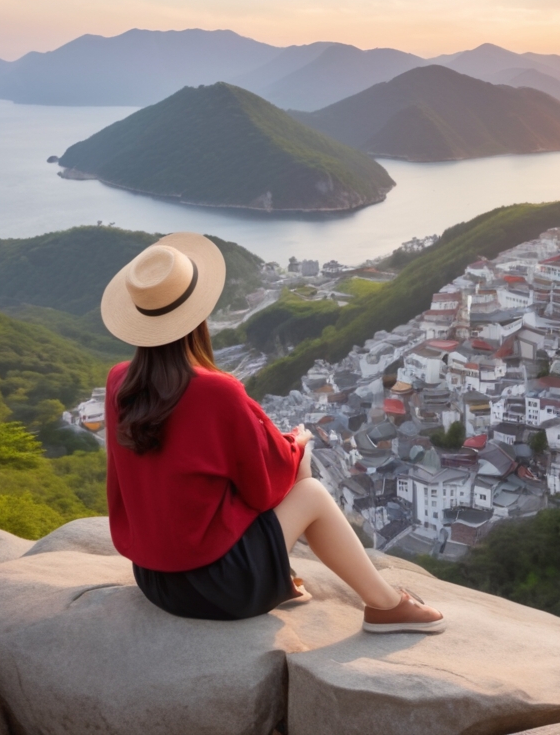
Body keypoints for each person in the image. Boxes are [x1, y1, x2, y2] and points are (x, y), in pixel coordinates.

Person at [101, 232, 444, 632]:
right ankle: (385, 605)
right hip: (219, 588)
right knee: (311, 488)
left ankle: (285, 579)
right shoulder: (216, 391)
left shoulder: (119, 382)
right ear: (198, 317)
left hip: (155, 579)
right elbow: (265, 487)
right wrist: (297, 446)